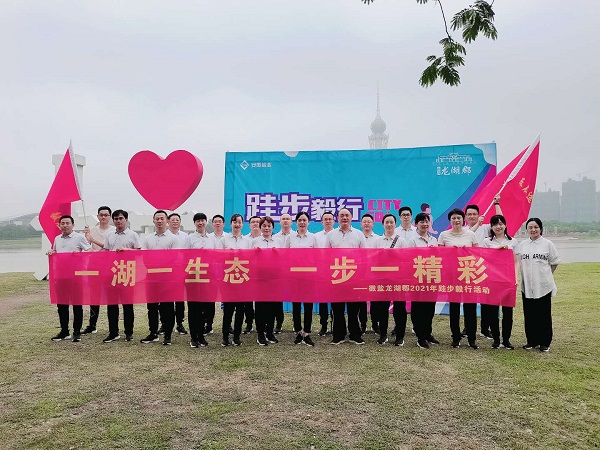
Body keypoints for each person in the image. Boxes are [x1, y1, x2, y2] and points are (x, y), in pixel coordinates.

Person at [516, 218, 560, 352]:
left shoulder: (547, 244)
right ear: (527, 229)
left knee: (543, 315)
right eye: (530, 227)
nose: (533, 230)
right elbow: (517, 262)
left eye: (536, 227)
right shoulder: (523, 244)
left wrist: (545, 275)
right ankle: (532, 340)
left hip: (543, 285)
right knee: (529, 314)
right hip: (527, 285)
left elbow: (554, 262)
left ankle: (545, 342)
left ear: (540, 228)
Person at [438, 208, 479, 349]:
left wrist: (466, 252)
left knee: (470, 307)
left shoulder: (471, 234)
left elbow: (477, 253)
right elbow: (440, 255)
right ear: (450, 220)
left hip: (468, 275)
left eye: (459, 218)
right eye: (454, 218)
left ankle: (472, 338)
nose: (456, 220)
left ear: (463, 219)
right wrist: (450, 252)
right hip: (452, 276)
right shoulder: (444, 235)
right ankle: (455, 337)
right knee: (454, 307)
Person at [325, 208, 367, 345]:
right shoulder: (331, 235)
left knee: (353, 308)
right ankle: (338, 335)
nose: (344, 218)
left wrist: (361, 274)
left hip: (354, 276)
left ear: (351, 218)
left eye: (347, 215)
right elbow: (326, 255)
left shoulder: (359, 234)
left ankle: (355, 335)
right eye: (342, 215)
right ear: (338, 218)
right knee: (337, 308)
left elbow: (364, 255)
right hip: (336, 276)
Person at [47, 215, 92, 342]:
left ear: (73, 225)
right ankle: (64, 331)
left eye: (67, 223)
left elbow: (90, 251)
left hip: (76, 277)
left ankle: (76, 332)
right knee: (62, 305)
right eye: (62, 223)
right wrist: (51, 252)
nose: (65, 225)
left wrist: (79, 255)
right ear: (59, 225)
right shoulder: (57, 238)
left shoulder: (79, 237)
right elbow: (56, 252)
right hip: (61, 276)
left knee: (77, 305)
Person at [140, 210, 181, 346]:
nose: (159, 221)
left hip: (167, 277)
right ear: (153, 220)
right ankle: (153, 333)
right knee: (151, 307)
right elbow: (145, 257)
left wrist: (160, 264)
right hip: (151, 276)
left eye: (162, 218)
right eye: (157, 218)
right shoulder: (148, 238)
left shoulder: (173, 239)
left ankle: (168, 334)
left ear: (167, 221)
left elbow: (174, 258)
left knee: (167, 307)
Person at [465, 195, 503, 339]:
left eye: (474, 214)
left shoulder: (486, 228)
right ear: (465, 217)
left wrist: (496, 204)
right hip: (469, 268)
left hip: (486, 269)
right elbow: (468, 236)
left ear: (478, 215)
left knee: (486, 299)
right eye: (469, 214)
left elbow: (500, 220)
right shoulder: (463, 230)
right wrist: (477, 224)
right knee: (470, 301)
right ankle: (468, 328)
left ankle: (485, 328)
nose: (472, 216)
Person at [101, 209, 141, 343]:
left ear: (126, 220)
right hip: (112, 273)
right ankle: (113, 332)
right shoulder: (109, 235)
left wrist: (127, 250)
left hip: (127, 272)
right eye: (116, 219)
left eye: (121, 218)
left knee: (127, 304)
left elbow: (139, 252)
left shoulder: (133, 235)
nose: (118, 221)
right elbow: (106, 252)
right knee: (112, 304)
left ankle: (129, 332)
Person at [482, 214, 519, 350]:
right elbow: (484, 259)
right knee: (492, 312)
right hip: (492, 280)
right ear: (491, 227)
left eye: (501, 223)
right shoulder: (486, 242)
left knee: (508, 312)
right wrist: (496, 251)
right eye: (495, 224)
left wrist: (515, 278)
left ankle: (506, 340)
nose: (498, 226)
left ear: (505, 225)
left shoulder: (513, 241)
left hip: (508, 280)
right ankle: (496, 340)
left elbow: (516, 262)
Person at [408, 212, 440, 349]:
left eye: (427, 221)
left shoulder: (434, 240)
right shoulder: (412, 240)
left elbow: (438, 258)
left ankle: (428, 333)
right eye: (421, 222)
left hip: (432, 278)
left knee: (430, 308)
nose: (425, 224)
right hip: (418, 278)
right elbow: (409, 259)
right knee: (418, 308)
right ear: (416, 224)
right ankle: (420, 336)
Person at [81, 205, 115, 335]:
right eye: (101, 215)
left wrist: (93, 240)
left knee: (111, 297)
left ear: (110, 217)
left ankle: (113, 327)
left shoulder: (113, 231)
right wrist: (87, 237)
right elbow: (87, 247)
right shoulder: (93, 230)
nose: (103, 217)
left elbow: (109, 247)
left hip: (110, 266)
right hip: (94, 266)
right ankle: (92, 325)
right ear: (98, 216)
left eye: (106, 215)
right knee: (94, 296)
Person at [286, 211, 318, 346]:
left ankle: (307, 332)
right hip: (294, 276)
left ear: (308, 222)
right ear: (296, 222)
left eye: (304, 220)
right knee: (296, 305)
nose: (302, 222)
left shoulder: (313, 237)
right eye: (300, 220)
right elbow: (286, 255)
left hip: (309, 276)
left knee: (308, 305)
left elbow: (317, 257)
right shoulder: (290, 238)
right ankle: (298, 332)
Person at [373, 213, 405, 345]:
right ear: (383, 224)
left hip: (398, 279)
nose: (389, 224)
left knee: (399, 308)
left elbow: (406, 260)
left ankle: (400, 336)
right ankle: (383, 334)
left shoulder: (401, 241)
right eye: (387, 222)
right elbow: (373, 259)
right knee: (382, 308)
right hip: (382, 279)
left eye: (392, 222)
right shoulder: (377, 241)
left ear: (395, 224)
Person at [221, 214, 251, 346]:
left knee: (240, 310)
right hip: (228, 279)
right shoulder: (224, 240)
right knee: (228, 310)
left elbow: (250, 259)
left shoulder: (247, 241)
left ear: (242, 224)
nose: (237, 224)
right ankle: (225, 336)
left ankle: (237, 336)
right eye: (234, 222)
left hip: (242, 279)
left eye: (239, 222)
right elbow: (218, 258)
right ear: (230, 224)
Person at [186, 212, 216, 348]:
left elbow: (216, 256)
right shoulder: (190, 238)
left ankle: (201, 335)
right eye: (197, 221)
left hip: (208, 277)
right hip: (193, 277)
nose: (200, 223)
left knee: (206, 308)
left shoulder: (212, 239)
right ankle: (194, 337)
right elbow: (184, 256)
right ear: (194, 223)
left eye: (202, 220)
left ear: (206, 222)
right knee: (194, 309)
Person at [252, 216, 281, 346]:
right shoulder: (255, 241)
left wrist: (277, 254)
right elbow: (249, 259)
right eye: (264, 226)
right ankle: (260, 334)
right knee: (260, 308)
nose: (266, 228)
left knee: (272, 307)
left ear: (273, 227)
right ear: (260, 227)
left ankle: (269, 332)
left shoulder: (279, 241)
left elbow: (284, 259)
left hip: (274, 279)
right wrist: (256, 254)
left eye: (269, 226)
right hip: (260, 279)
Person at [272, 213, 296, 332]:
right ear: (280, 222)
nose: (285, 221)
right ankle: (279, 322)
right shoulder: (274, 237)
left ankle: (296, 323)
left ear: (291, 222)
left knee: (296, 298)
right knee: (277, 298)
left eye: (288, 219)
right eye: (283, 219)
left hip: (293, 272)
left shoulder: (296, 236)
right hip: (278, 272)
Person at [205, 214, 228, 335]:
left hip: (226, 272)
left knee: (227, 300)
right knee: (210, 300)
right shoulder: (207, 238)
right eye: (215, 221)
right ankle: (209, 325)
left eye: (220, 221)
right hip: (211, 272)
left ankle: (227, 325)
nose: (218, 223)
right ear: (212, 224)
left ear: (224, 224)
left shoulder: (228, 237)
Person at [168, 212, 189, 336]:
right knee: (166, 299)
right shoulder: (164, 235)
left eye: (177, 220)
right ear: (168, 222)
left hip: (180, 270)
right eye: (173, 220)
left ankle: (180, 323)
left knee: (180, 299)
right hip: (167, 271)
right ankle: (165, 323)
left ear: (180, 222)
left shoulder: (185, 237)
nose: (175, 221)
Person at [314, 211, 335, 336]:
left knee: (335, 300)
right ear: (322, 222)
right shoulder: (316, 236)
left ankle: (334, 324)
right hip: (322, 272)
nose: (328, 221)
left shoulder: (337, 235)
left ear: (334, 221)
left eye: (330, 219)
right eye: (325, 219)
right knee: (323, 300)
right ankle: (323, 325)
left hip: (336, 271)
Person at [242, 215, 261, 334]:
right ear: (249, 225)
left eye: (258, 222)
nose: (255, 224)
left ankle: (261, 324)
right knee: (247, 301)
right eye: (253, 222)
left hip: (261, 274)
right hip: (247, 273)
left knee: (260, 301)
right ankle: (249, 323)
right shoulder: (244, 239)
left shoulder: (266, 238)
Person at [360, 213, 379, 334]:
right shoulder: (357, 236)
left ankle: (375, 324)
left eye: (369, 222)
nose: (366, 224)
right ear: (361, 224)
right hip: (360, 273)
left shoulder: (378, 238)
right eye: (364, 222)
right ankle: (362, 324)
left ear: (373, 224)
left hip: (374, 273)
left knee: (375, 300)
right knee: (361, 300)